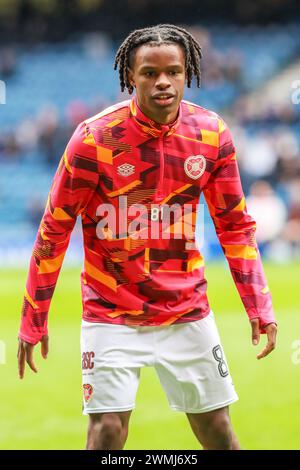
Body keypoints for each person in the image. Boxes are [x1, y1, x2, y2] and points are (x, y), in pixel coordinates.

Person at [17, 24, 277, 451]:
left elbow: (234, 225)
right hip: (110, 310)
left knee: (218, 431)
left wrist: (259, 304)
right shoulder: (93, 139)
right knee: (106, 432)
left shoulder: (211, 134)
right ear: (130, 77)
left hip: (186, 307)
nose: (162, 82)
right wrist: (34, 316)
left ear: (187, 72)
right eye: (150, 72)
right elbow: (54, 229)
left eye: (173, 71)